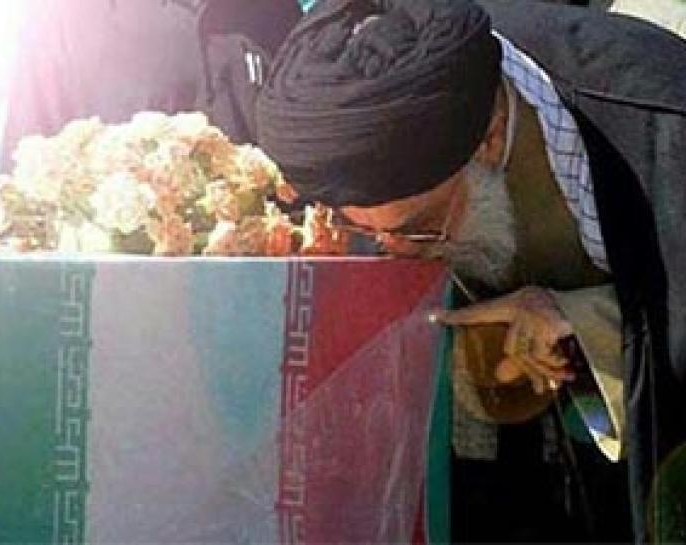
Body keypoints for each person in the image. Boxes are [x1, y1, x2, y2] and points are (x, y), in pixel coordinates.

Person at [255, 0, 686, 542]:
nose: (396, 253)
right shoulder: (395, 108)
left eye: (419, 228)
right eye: (361, 227)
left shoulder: (664, 127)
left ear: (490, 136)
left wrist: (583, 316)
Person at [0, 0, 301, 171]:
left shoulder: (276, 13)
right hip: (112, 264)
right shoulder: (67, 16)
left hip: (266, 262)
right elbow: (20, 183)